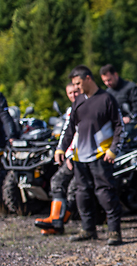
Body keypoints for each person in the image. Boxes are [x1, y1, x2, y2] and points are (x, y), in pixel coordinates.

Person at [55, 65, 125, 246]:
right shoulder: (78, 101)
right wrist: (61, 148)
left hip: (101, 155)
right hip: (80, 157)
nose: (76, 87)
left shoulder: (107, 99)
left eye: (78, 83)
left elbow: (120, 127)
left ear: (88, 78)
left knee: (105, 194)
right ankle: (88, 229)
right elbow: (69, 128)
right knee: (82, 194)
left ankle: (114, 232)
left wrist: (114, 149)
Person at [34, 83, 80, 235]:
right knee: (61, 183)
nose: (73, 95)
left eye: (76, 91)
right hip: (73, 155)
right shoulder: (70, 109)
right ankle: (57, 221)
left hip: (83, 155)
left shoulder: (85, 107)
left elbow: (81, 134)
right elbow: (67, 132)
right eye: (70, 93)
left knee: (71, 187)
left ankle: (58, 221)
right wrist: (61, 150)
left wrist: (71, 154)